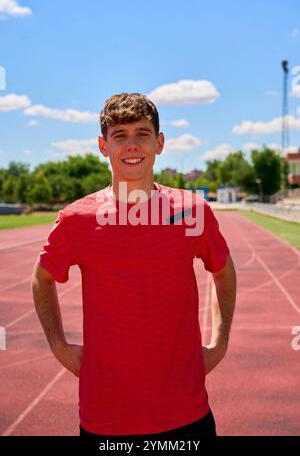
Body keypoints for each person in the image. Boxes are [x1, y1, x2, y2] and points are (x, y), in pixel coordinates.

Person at [31, 92, 236, 441]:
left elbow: (223, 271)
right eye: (120, 136)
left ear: (159, 143)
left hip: (185, 410)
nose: (132, 146)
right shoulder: (77, 218)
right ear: (103, 145)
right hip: (106, 416)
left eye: (142, 134)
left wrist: (219, 342)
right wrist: (59, 346)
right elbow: (41, 279)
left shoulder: (191, 210)